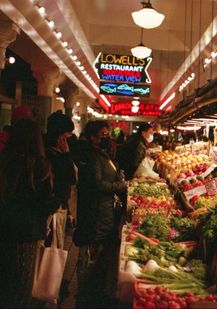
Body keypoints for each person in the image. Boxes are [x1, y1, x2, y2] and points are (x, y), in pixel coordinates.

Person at [0, 119, 60, 307]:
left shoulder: (3, 161)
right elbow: (47, 204)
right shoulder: (39, 166)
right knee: (20, 290)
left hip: (3, 231)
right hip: (25, 235)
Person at [73, 120, 127, 307]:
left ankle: (90, 293)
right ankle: (85, 297)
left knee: (96, 257)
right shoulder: (92, 156)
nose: (107, 138)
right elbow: (96, 184)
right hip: (95, 214)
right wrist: (120, 185)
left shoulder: (99, 154)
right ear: (91, 137)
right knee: (90, 257)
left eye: (108, 134)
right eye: (103, 135)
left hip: (101, 212)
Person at [44, 111, 76, 249]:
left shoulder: (55, 152)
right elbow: (70, 178)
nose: (69, 138)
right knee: (51, 248)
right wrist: (66, 153)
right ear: (59, 136)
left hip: (59, 207)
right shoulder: (52, 155)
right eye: (67, 135)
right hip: (52, 210)